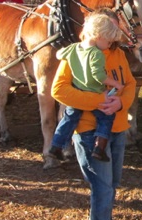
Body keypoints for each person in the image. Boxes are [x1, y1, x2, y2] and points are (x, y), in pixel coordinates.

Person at [51, 9, 136, 220]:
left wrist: (120, 102)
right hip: (89, 130)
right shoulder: (77, 55)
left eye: (114, 30)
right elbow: (58, 90)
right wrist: (99, 101)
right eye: (107, 30)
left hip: (117, 128)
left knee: (111, 184)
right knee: (103, 186)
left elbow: (129, 83)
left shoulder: (117, 54)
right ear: (95, 29)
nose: (110, 36)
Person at [48, 12, 124, 162]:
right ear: (99, 36)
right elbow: (99, 76)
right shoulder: (97, 54)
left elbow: (59, 54)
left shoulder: (73, 48)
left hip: (77, 91)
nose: (109, 46)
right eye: (108, 42)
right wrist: (114, 83)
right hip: (94, 91)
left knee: (69, 119)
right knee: (106, 118)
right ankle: (99, 147)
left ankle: (55, 145)